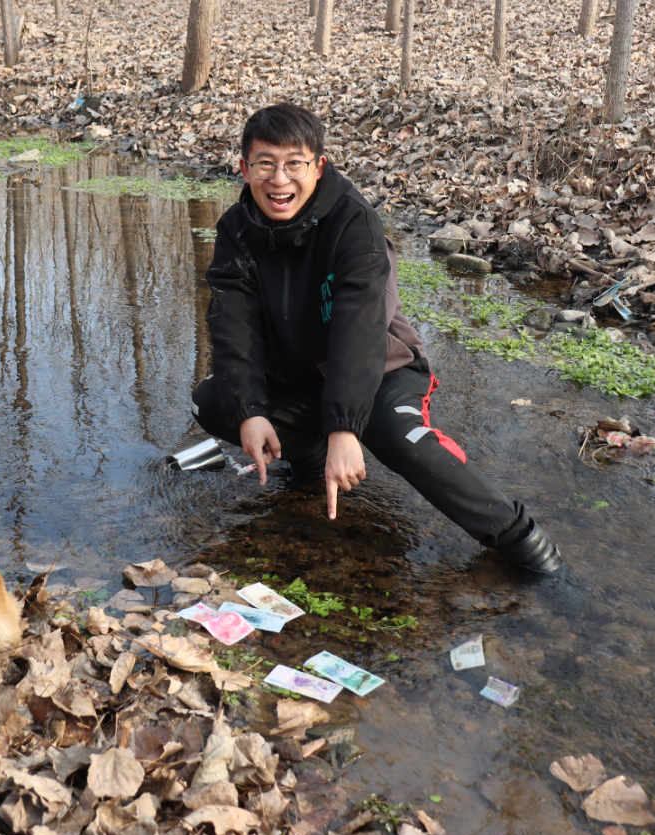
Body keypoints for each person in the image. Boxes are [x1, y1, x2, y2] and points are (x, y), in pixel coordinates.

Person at [190, 102, 564, 573]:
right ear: (245, 169)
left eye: (294, 164)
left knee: (402, 440)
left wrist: (346, 424)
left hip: (382, 369)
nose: (279, 180)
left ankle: (523, 543)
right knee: (214, 402)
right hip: (297, 380)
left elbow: (359, 327)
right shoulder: (236, 231)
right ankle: (311, 457)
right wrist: (250, 412)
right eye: (265, 164)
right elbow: (232, 326)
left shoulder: (352, 222)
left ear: (318, 166)